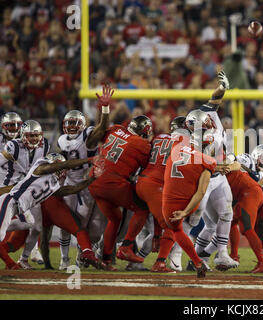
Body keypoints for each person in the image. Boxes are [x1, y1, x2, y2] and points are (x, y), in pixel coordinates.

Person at [0, 153, 104, 269]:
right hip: (10, 202)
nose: (61, 169)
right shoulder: (39, 169)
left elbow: (72, 189)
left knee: (32, 224)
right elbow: (63, 165)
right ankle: (11, 264)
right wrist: (90, 159)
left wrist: (92, 179)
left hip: (20, 209)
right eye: (58, 165)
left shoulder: (54, 184)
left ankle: (20, 259)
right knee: (1, 234)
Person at [185, 71, 239, 271]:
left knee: (226, 214)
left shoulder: (207, 114)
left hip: (219, 176)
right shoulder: (193, 140)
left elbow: (215, 98)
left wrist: (222, 87)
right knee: (196, 220)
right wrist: (223, 165)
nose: (205, 124)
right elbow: (201, 164)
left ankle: (221, 254)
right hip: (204, 179)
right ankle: (175, 255)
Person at [56, 84, 113, 270]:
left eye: (75, 123)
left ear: (82, 125)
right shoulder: (61, 141)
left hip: (88, 186)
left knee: (94, 230)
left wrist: (104, 110)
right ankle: (64, 259)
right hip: (69, 185)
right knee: (66, 224)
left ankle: (84, 253)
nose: (72, 126)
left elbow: (101, 129)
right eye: (69, 123)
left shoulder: (87, 137)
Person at [88, 115, 153, 270]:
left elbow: (98, 137)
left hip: (94, 181)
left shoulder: (116, 129)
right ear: (144, 132)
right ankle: (126, 247)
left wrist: (104, 112)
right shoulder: (141, 144)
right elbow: (146, 168)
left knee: (115, 218)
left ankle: (106, 260)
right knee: (142, 208)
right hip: (112, 184)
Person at [132, 116, 187, 273]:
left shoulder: (158, 137)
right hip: (157, 186)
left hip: (142, 182)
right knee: (172, 224)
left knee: (154, 225)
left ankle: (131, 254)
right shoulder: (185, 144)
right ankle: (161, 262)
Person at [163, 128, 217, 278]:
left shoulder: (177, 146)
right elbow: (200, 192)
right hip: (188, 201)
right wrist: (186, 211)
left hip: (167, 200)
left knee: (174, 229)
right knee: (179, 229)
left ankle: (165, 259)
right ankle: (196, 262)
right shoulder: (208, 161)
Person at [0, 119, 49, 269]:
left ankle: (24, 258)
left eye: (36, 135)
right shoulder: (13, 145)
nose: (34, 138)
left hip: (27, 191)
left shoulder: (45, 144)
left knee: (35, 226)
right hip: (10, 189)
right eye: (30, 135)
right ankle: (12, 261)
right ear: (22, 135)